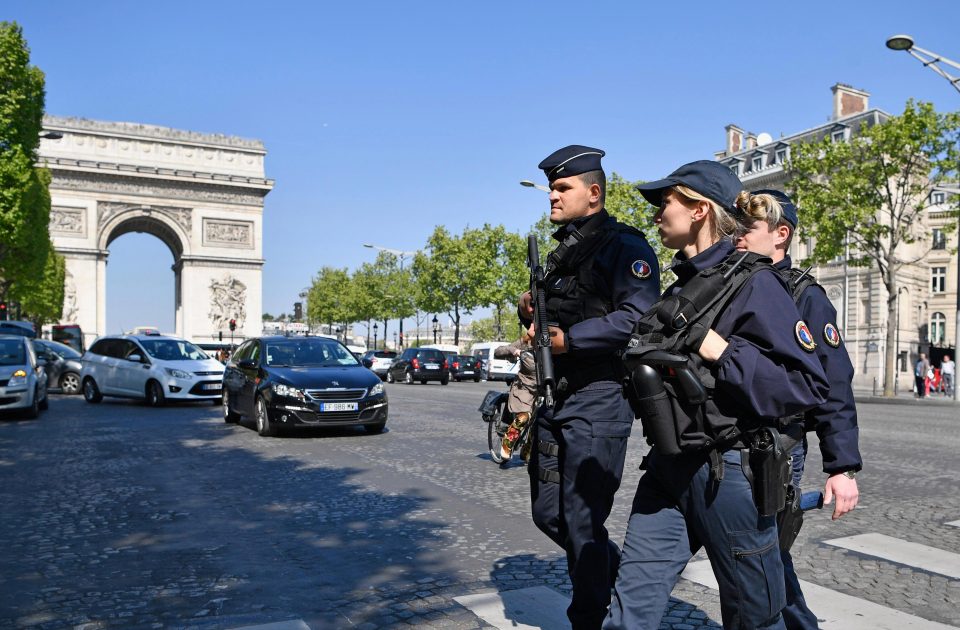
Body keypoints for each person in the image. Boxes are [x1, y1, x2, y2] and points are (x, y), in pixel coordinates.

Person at [604, 161, 828, 630]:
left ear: (700, 209)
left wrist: (717, 347)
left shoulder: (756, 284)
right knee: (629, 612)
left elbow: (804, 385)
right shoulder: (683, 286)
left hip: (727, 475)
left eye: (667, 200)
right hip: (669, 467)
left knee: (754, 617)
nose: (658, 212)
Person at [518, 145, 660, 629]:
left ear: (594, 193)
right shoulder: (566, 247)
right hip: (558, 397)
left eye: (562, 188)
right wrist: (532, 315)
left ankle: (589, 617)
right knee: (548, 514)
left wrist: (567, 340)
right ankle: (619, 576)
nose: (552, 197)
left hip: (601, 399)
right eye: (552, 189)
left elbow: (638, 318)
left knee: (582, 519)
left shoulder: (626, 247)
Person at [736, 188, 862, 630]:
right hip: (726, 441)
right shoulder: (729, 284)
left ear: (780, 235)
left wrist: (842, 467)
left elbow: (835, 383)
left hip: (778, 444)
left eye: (747, 229)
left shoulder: (805, 296)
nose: (736, 236)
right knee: (757, 552)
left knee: (764, 551)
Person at [490, 336, 537, 463]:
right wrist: (513, 351)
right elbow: (498, 351)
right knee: (524, 416)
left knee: (541, 420)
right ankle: (507, 442)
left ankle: (527, 450)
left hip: (543, 389)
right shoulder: (524, 342)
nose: (532, 326)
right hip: (524, 388)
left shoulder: (551, 342)